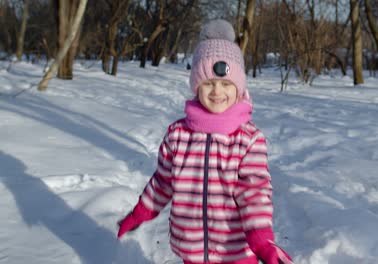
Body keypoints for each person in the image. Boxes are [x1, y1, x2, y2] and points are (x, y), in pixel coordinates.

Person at [117, 19, 293, 264]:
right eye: (208, 83)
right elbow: (163, 182)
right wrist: (139, 214)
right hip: (191, 248)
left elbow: (254, 193)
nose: (217, 92)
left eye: (226, 84)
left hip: (237, 251)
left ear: (239, 88)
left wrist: (261, 239)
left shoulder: (249, 139)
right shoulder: (178, 134)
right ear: (196, 87)